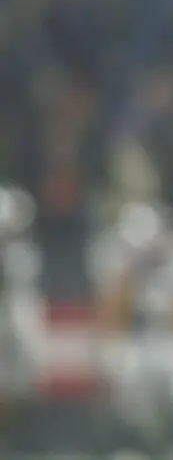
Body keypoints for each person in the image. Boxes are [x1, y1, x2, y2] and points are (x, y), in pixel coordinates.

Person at [89, 201, 173, 460]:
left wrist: (150, 303)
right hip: (136, 337)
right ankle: (130, 446)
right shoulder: (117, 255)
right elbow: (112, 313)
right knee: (124, 370)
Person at [0, 185, 44, 451]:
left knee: (21, 380)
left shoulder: (24, 255)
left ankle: (21, 438)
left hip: (17, 311)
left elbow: (24, 290)